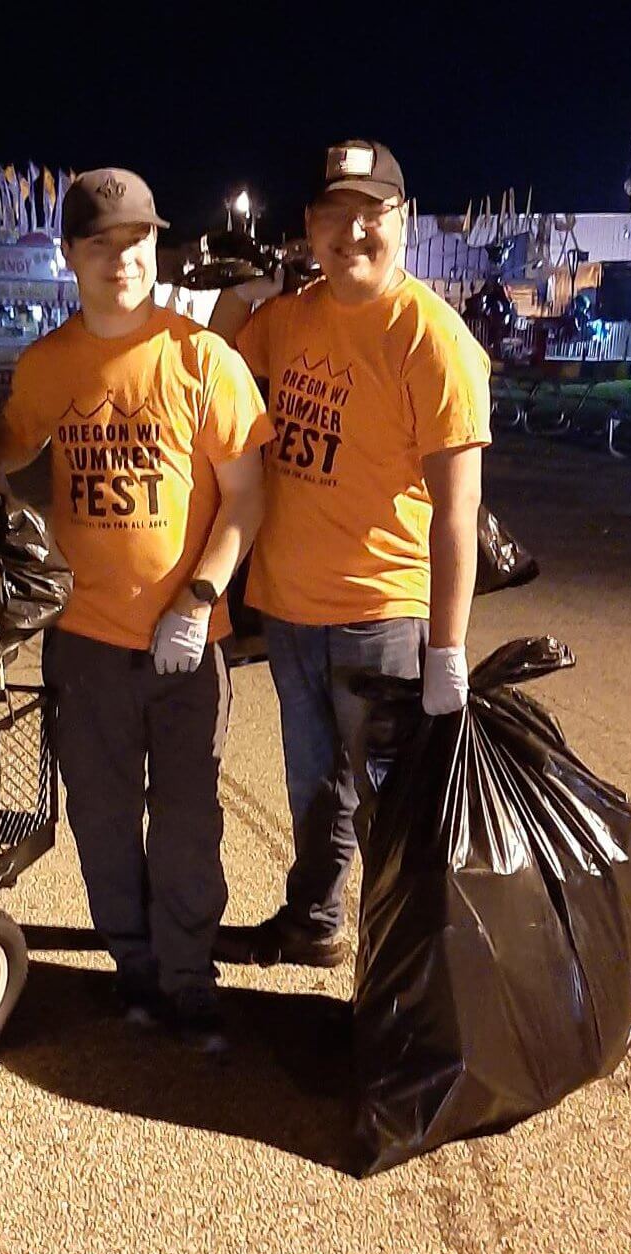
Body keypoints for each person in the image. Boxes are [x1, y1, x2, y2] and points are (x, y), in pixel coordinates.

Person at [0, 168, 270, 1047]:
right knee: (101, 821)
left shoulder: (201, 359)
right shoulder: (49, 365)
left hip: (189, 647)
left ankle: (189, 981)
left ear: (157, 246)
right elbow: (2, 458)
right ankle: (136, 972)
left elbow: (247, 498)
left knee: (187, 826)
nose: (122, 259)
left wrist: (199, 597)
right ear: (71, 255)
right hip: (86, 647)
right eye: (101, 243)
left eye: (137, 240)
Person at [208, 140, 491, 968]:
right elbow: (216, 365)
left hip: (380, 613)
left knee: (388, 802)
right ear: (309, 227)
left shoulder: (432, 339)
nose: (353, 233)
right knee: (313, 786)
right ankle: (317, 918)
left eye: (371, 215)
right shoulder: (293, 319)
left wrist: (447, 649)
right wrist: (246, 292)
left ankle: (401, 962)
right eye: (335, 215)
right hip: (291, 611)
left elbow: (457, 512)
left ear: (400, 221)